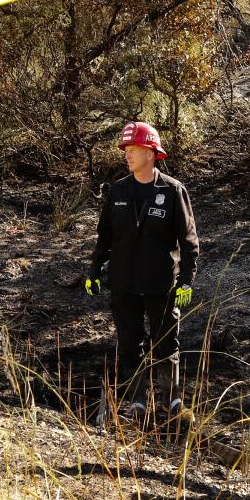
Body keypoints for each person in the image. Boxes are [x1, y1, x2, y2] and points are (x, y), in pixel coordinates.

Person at [88, 121, 199, 428]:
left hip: (160, 284)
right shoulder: (118, 191)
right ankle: (138, 400)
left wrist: (186, 280)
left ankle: (172, 401)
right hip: (123, 283)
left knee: (165, 342)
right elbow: (104, 236)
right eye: (126, 150)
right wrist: (94, 270)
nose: (128, 155)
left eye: (134, 149)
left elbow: (190, 242)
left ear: (152, 152)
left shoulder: (173, 191)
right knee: (129, 342)